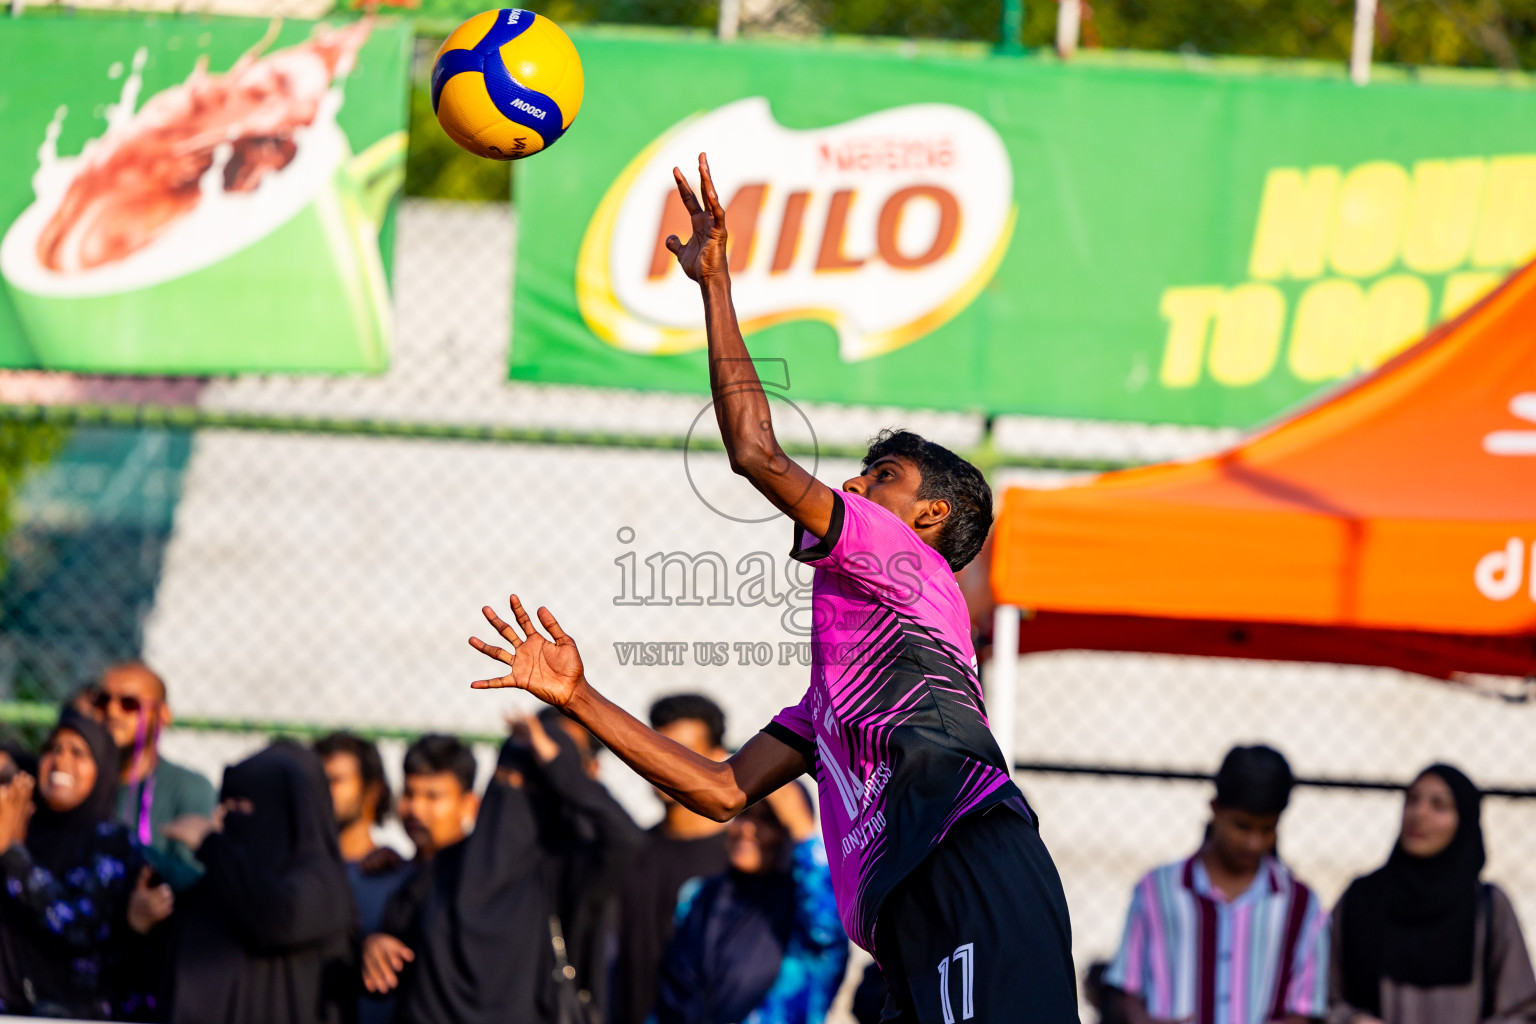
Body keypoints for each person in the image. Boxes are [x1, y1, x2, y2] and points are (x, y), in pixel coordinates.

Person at [468, 154, 1078, 1023]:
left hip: (970, 863)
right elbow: (718, 790)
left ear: (932, 514)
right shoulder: (836, 699)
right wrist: (576, 694)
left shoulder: (909, 563)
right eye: (862, 476)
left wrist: (715, 284)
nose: (859, 489)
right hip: (909, 914)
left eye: (885, 476)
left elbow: (755, 452)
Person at [370, 715, 642, 1024]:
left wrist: (558, 763)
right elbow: (388, 960)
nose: (511, 792)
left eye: (528, 784)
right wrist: (374, 947)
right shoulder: (442, 869)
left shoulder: (558, 874)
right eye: (503, 778)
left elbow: (626, 839)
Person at [1103, 745, 1330, 1024]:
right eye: (1242, 827)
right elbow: (1126, 991)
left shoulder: (1301, 905)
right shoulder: (1156, 889)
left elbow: (1306, 1008)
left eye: (1267, 829)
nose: (1254, 842)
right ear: (1215, 809)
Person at [162, 741, 358, 1024]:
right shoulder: (228, 878)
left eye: (243, 806)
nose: (227, 817)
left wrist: (212, 847)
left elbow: (277, 918)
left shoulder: (320, 881)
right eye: (226, 805)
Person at [1329, 764, 1536, 1024]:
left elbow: (1523, 1011)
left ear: (1464, 821)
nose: (1419, 813)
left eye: (1439, 805)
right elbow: (1320, 998)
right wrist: (1353, 1020)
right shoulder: (1361, 899)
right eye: (1412, 800)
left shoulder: (1489, 908)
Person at [0, 709, 173, 1018]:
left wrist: (12, 854)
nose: (61, 761)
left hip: (72, 1012)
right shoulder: (21, 826)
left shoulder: (113, 843)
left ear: (103, 770)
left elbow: (77, 928)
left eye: (78, 753)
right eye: (53, 749)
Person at [652, 781, 847, 1024]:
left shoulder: (804, 914)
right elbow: (669, 996)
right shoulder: (701, 896)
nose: (747, 829)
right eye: (743, 815)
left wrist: (802, 827)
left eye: (768, 820)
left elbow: (827, 926)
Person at [612, 694, 734, 1024]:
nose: (666, 764)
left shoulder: (741, 860)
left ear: (719, 759)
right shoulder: (631, 850)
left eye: (684, 753)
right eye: (658, 751)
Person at [359, 734, 478, 1008]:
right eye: (409, 794)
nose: (415, 808)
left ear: (469, 804)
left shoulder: (480, 881)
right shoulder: (389, 874)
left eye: (433, 796)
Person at [315, 732, 413, 1024]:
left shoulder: (402, 878)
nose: (321, 792)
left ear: (373, 791)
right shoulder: (294, 875)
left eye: (335, 780)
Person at [95, 662, 217, 891]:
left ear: (163, 715)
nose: (111, 711)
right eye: (102, 701)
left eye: (129, 703)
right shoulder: (83, 782)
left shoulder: (190, 787)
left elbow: (193, 878)